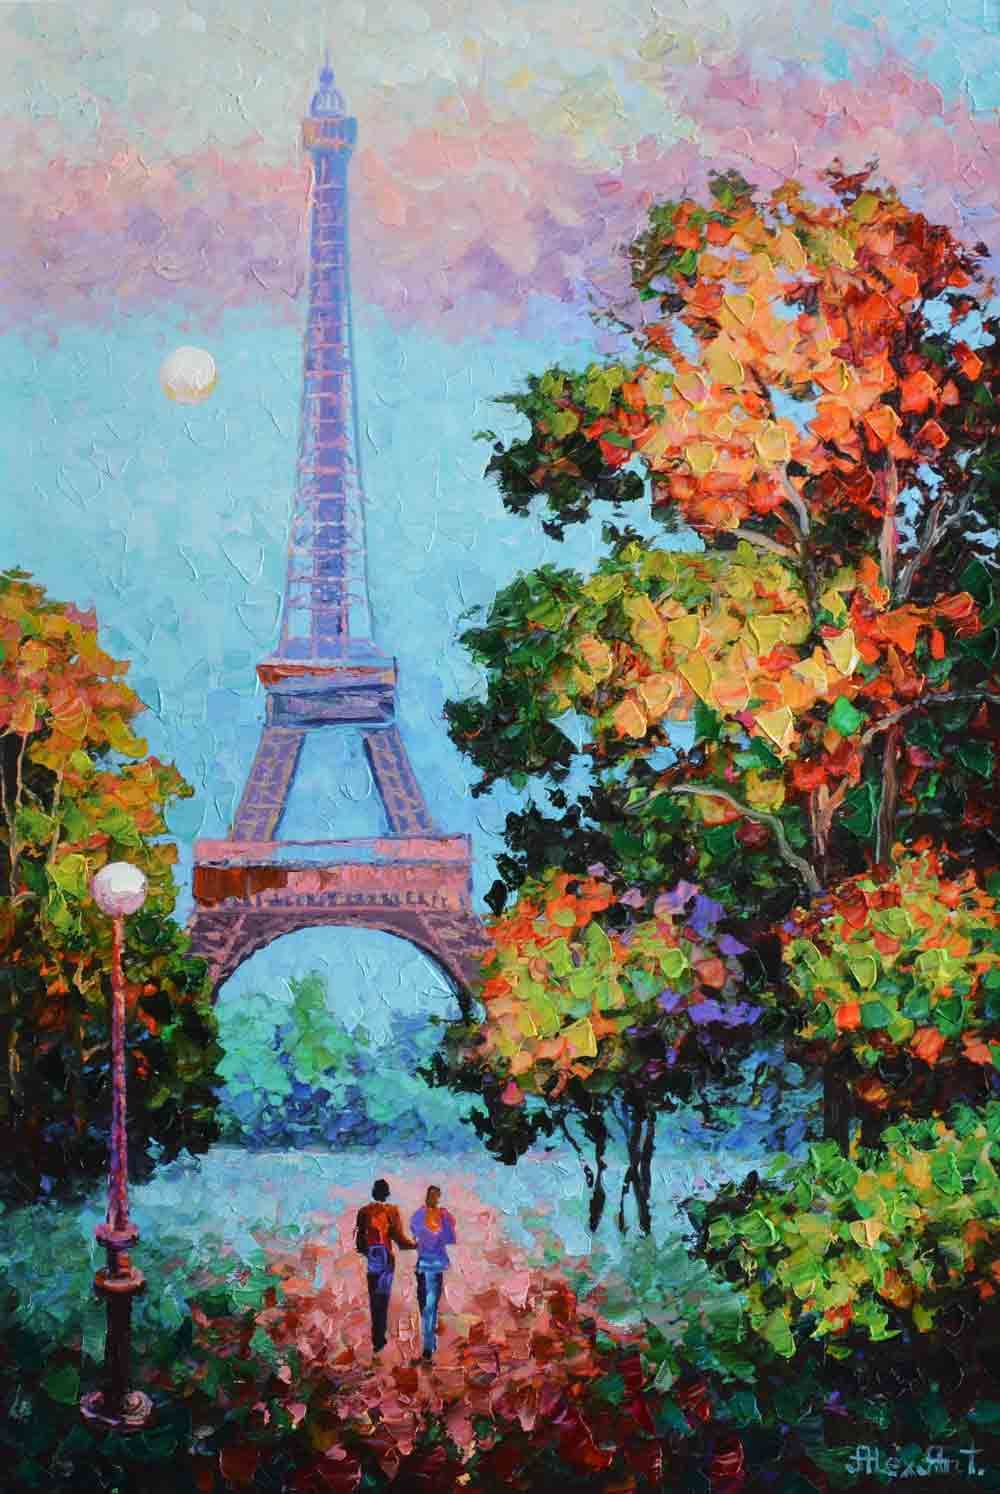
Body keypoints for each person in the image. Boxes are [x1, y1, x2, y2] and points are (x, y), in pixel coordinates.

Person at [355, 1178, 415, 1354]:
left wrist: (370, 1252)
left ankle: (378, 1339)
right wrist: (417, 1245)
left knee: (375, 1299)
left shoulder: (364, 1211)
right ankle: (379, 1339)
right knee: (383, 1297)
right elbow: (400, 1240)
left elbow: (360, 1242)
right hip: (386, 1258)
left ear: (373, 1192)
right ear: (387, 1193)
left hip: (374, 1257)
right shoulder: (392, 1211)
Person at [410, 1184, 457, 1363]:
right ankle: (430, 1345)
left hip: (432, 1267)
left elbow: (450, 1238)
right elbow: (446, 1238)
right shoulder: (422, 1215)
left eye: (435, 1196)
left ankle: (428, 1348)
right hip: (424, 1266)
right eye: (432, 1195)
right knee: (426, 1307)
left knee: (429, 1307)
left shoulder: (436, 1215)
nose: (433, 1198)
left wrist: (445, 1222)